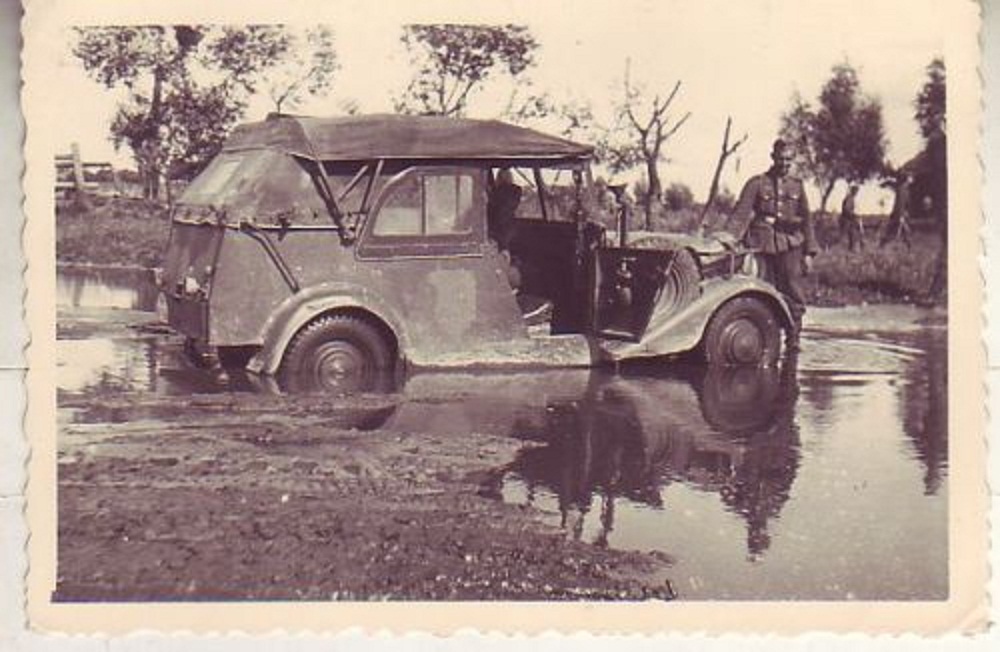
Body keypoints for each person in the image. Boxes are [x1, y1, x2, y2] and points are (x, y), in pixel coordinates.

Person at [728, 139, 817, 352]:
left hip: (790, 244)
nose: (784, 163)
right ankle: (765, 337)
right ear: (773, 157)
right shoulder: (758, 183)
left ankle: (793, 340)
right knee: (761, 289)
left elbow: (806, 219)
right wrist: (728, 240)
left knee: (793, 290)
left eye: (788, 159)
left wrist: (809, 252)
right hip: (762, 244)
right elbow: (740, 214)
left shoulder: (797, 185)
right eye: (781, 158)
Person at [487, 167, 522, 252]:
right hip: (510, 224)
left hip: (496, 224)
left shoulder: (496, 191)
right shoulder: (517, 190)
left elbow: (492, 206)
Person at [880, 171, 912, 250]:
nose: (912, 179)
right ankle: (908, 247)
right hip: (898, 214)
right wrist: (900, 215)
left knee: (899, 231)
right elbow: (900, 204)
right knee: (897, 231)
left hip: (900, 214)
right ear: (906, 179)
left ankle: (908, 247)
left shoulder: (904, 189)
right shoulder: (902, 189)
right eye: (910, 177)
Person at [840, 183, 863, 252]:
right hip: (850, 220)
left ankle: (853, 250)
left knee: (855, 236)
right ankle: (852, 251)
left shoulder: (851, 198)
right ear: (853, 191)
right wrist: (854, 215)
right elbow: (846, 210)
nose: (856, 192)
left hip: (852, 219)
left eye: (857, 191)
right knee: (852, 235)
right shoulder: (849, 198)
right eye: (855, 190)